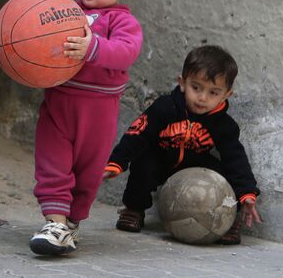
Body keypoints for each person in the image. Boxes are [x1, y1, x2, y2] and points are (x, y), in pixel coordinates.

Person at [0, 0, 143, 256]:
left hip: (98, 111)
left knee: (87, 175)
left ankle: (71, 222)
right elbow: (27, 30)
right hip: (58, 103)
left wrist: (93, 46)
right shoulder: (61, 11)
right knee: (52, 165)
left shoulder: (122, 21)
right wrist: (2, 39)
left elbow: (126, 53)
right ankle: (54, 222)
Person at [103, 45, 262, 245]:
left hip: (196, 165)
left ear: (226, 95)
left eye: (213, 92)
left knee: (224, 174)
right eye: (196, 87)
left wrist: (247, 193)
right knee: (144, 163)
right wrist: (116, 162)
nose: (203, 98)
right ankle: (134, 210)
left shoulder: (224, 125)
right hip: (162, 159)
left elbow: (236, 160)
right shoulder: (165, 107)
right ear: (182, 83)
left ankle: (227, 221)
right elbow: (138, 133)